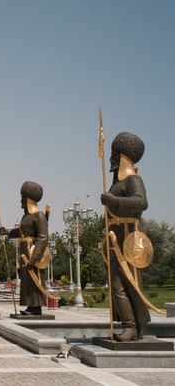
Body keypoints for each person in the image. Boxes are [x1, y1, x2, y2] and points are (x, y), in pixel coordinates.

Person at [100, 132, 150, 341]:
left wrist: (115, 201)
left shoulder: (133, 179)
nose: (110, 158)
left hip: (128, 238)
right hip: (115, 238)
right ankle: (130, 326)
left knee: (124, 284)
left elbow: (141, 202)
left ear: (122, 156)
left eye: (114, 154)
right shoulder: (116, 183)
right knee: (118, 284)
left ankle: (131, 327)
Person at [0, 181, 48, 316]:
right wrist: (7, 232)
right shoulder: (26, 217)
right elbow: (21, 232)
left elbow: (43, 238)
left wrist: (34, 258)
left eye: (23, 197)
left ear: (29, 199)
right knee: (27, 281)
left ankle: (36, 308)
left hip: (33, 252)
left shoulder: (39, 215)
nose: (21, 200)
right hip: (24, 252)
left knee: (35, 279)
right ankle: (31, 307)